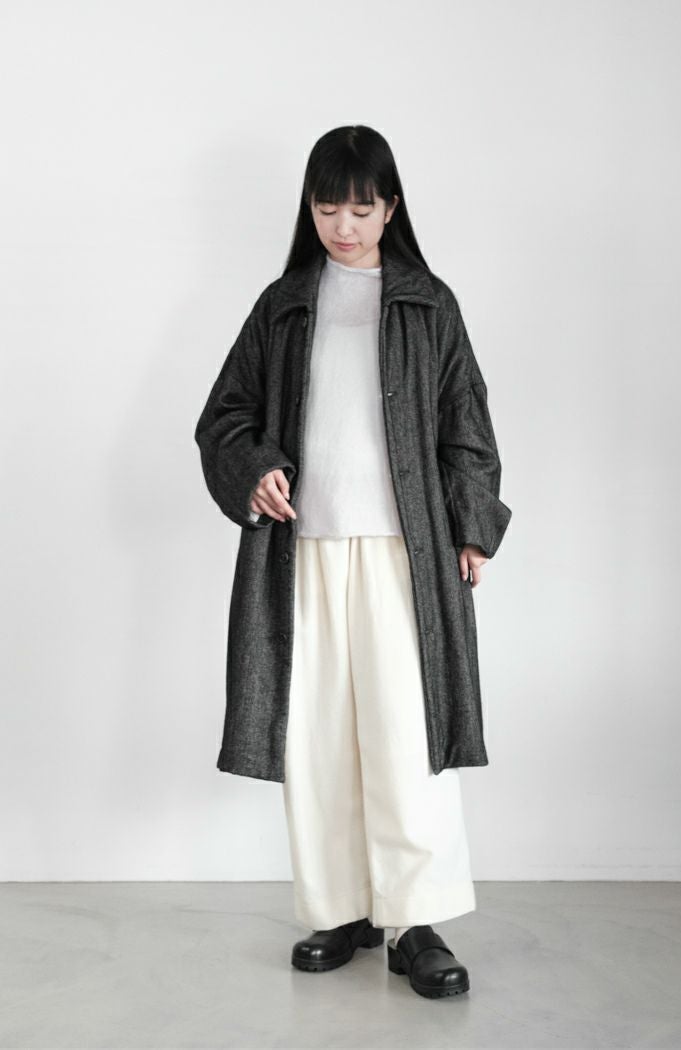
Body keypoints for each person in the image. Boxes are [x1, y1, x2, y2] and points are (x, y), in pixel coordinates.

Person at [194, 125, 512, 1000]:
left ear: (391, 209)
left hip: (405, 554)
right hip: (302, 554)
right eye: (327, 206)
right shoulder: (284, 305)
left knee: (407, 735)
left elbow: (467, 424)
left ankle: (416, 921)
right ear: (309, 208)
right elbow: (225, 415)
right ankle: (342, 909)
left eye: (361, 208)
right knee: (319, 738)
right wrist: (253, 469)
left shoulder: (427, 304)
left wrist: (472, 528)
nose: (343, 224)